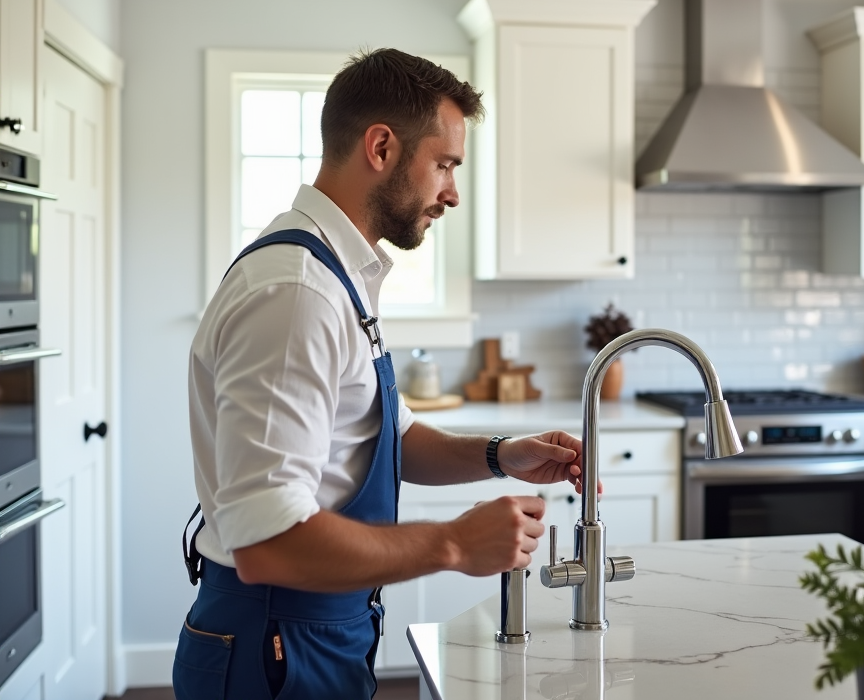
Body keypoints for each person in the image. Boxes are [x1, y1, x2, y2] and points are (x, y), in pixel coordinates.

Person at [172, 48, 589, 700]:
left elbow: (380, 435)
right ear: (382, 147)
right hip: (275, 640)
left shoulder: (341, 275)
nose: (451, 191)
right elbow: (267, 543)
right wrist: (453, 544)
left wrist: (502, 456)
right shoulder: (297, 292)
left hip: (318, 626)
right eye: (445, 164)